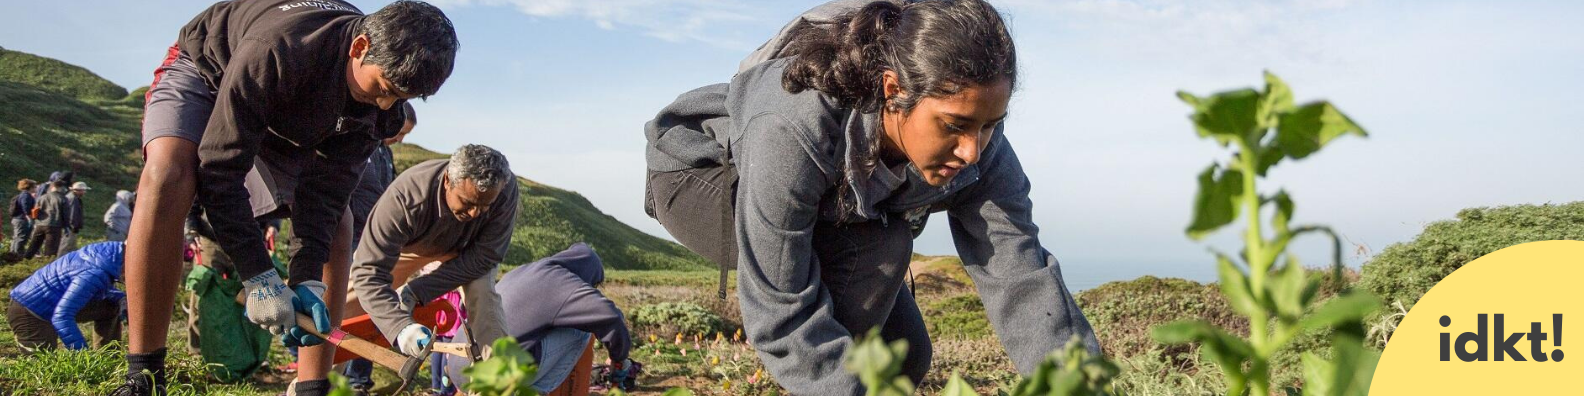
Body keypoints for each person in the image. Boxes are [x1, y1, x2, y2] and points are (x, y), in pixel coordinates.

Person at [642, 0, 1101, 393]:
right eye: (954, 125)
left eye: (990, 125)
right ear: (893, 90)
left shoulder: (983, 150)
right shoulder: (792, 125)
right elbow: (781, 311)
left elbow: (1022, 275)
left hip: (828, 197)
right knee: (879, 252)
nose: (972, 151)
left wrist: (1077, 385)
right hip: (703, 176)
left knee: (905, 356)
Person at [115, 0, 458, 394]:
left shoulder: (382, 108)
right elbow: (220, 170)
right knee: (168, 174)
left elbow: (325, 196)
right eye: (384, 88)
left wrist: (306, 279)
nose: (386, 104)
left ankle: (312, 387)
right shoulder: (279, 48)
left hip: (290, 110)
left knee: (339, 223)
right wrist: (259, 276)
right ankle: (144, 374)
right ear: (360, 47)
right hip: (210, 72)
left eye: (400, 97)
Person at [346, 144, 517, 367]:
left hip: (468, 254)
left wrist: (418, 290)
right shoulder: (406, 196)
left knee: (483, 296)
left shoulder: (504, 190)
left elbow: (484, 257)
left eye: (485, 206)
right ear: (447, 181)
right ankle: (320, 376)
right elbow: (368, 272)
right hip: (411, 248)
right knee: (348, 308)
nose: (475, 213)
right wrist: (401, 327)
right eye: (467, 202)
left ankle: (498, 378)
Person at [475, 243, 636, 394]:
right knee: (582, 331)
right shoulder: (563, 281)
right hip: (499, 374)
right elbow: (612, 317)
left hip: (468, 367)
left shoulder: (526, 270)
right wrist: (618, 358)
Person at [341, 101, 417, 393]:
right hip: (355, 234)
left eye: (405, 136)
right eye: (400, 132)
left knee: (371, 307)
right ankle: (341, 373)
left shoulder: (385, 153)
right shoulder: (364, 148)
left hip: (374, 238)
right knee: (353, 307)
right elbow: (372, 196)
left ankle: (358, 379)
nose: (400, 139)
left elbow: (389, 193)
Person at [6, 241, 126, 352]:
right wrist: (83, 356)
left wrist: (122, 299)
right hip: (30, 312)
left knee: (110, 306)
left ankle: (108, 356)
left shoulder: (107, 257)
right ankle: (93, 362)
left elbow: (95, 289)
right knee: (43, 363)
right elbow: (62, 316)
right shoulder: (94, 273)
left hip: (55, 305)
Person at [23, 181, 68, 259]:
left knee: (34, 245)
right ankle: (48, 263)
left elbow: (35, 210)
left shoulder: (42, 197)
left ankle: (25, 259)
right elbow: (65, 214)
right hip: (55, 225)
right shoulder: (62, 198)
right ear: (60, 188)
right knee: (51, 248)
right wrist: (66, 226)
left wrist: (36, 220)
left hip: (40, 224)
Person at [59, 181, 90, 254]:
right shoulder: (73, 199)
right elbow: (73, 213)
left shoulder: (70, 197)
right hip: (70, 227)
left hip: (67, 226)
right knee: (65, 246)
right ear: (78, 190)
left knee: (71, 247)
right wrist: (74, 226)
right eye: (83, 190)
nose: (84, 192)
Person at [9, 179, 37, 254]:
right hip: (22, 220)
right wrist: (29, 218)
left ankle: (12, 253)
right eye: (34, 187)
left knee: (16, 237)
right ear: (30, 187)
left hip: (17, 219)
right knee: (21, 238)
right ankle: (18, 254)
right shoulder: (26, 196)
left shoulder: (22, 195)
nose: (36, 188)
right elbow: (26, 207)